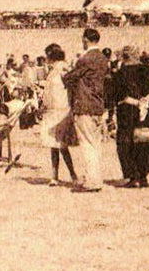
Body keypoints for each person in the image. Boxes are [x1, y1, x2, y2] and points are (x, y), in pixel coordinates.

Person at [108, 46, 149, 188]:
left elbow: (118, 96)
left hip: (128, 113)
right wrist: (145, 101)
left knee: (127, 143)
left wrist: (137, 102)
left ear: (124, 57)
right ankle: (143, 176)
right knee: (146, 141)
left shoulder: (120, 74)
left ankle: (133, 176)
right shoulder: (148, 71)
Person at [63, 27, 110, 193]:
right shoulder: (103, 59)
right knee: (95, 144)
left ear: (85, 40)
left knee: (87, 144)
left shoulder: (85, 59)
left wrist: (64, 74)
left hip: (84, 105)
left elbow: (71, 78)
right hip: (98, 105)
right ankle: (96, 178)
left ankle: (92, 181)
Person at [38, 43, 78, 186]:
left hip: (61, 110)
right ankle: (55, 175)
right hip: (53, 110)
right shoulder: (54, 70)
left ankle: (73, 175)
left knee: (61, 145)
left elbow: (72, 87)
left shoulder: (63, 69)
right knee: (54, 145)